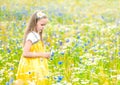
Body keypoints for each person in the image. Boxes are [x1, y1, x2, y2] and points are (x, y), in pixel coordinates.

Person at [14, 10, 51, 85]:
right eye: (42, 25)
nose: (43, 27)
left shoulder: (36, 34)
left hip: (37, 64)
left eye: (45, 25)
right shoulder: (31, 36)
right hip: (31, 66)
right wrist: (43, 55)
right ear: (35, 23)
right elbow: (25, 53)